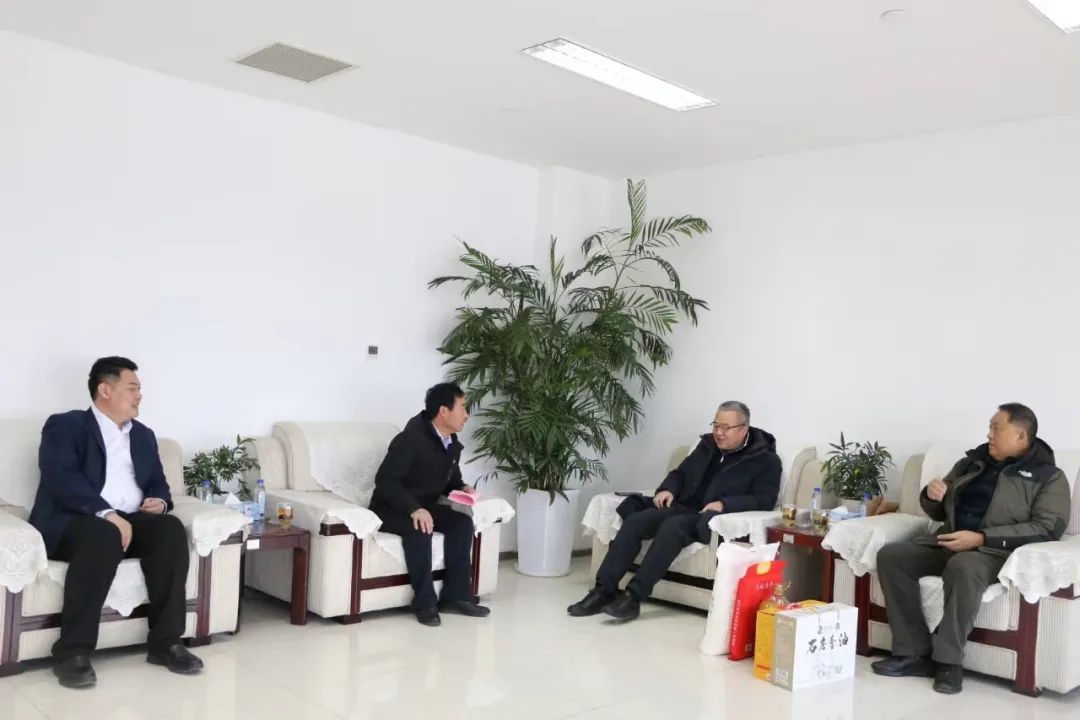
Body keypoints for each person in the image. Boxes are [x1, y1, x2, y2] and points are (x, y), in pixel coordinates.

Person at [871, 403, 1071, 694]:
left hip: (994, 553)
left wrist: (982, 538)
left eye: (996, 428)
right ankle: (913, 652)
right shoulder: (972, 463)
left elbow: (1047, 527)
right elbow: (939, 510)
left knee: (963, 566)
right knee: (893, 556)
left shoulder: (1049, 476)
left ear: (1020, 435)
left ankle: (948, 661)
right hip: (949, 541)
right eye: (990, 427)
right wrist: (932, 495)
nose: (989, 434)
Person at [29, 357, 202, 689]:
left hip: (129, 521)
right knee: (103, 534)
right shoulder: (66, 426)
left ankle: (166, 642)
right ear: (105, 390)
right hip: (75, 521)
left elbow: (158, 483)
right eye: (132, 388)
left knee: (169, 529)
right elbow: (60, 478)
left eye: (139, 389)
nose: (139, 396)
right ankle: (72, 652)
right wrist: (107, 513)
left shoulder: (143, 435)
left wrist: (159, 501)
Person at [568, 401, 782, 622]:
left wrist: (724, 505)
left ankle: (633, 597)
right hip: (683, 506)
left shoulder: (765, 460)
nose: (719, 432)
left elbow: (765, 499)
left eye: (726, 428)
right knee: (636, 520)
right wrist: (668, 489)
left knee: (673, 527)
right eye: (716, 425)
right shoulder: (707, 446)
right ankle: (603, 590)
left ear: (744, 429)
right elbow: (680, 473)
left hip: (709, 518)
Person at [370, 382, 489, 626]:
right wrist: (414, 508)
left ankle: (456, 596)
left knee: (462, 524)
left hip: (424, 506)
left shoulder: (450, 442)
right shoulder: (410, 439)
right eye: (462, 407)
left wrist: (463, 488)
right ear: (444, 411)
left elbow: (449, 481)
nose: (466, 415)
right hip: (391, 507)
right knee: (420, 528)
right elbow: (385, 481)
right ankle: (424, 603)